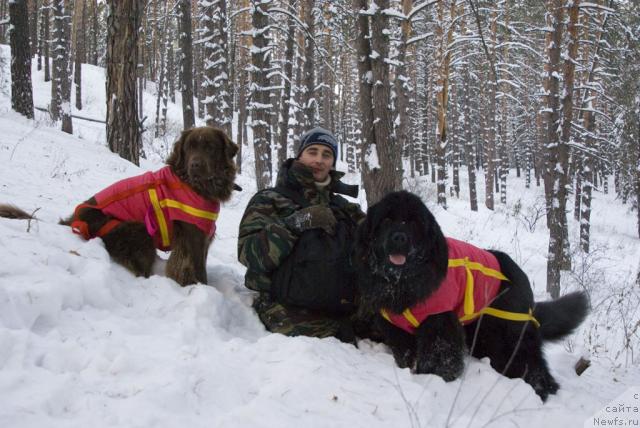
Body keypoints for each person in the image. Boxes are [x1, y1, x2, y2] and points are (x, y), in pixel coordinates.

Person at [237, 127, 366, 343]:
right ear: (300, 156)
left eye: (327, 155)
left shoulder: (345, 208)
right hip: (289, 311)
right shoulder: (270, 199)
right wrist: (295, 224)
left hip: (344, 310)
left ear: (333, 163)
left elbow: (377, 243)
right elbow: (249, 255)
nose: (319, 160)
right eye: (312, 152)